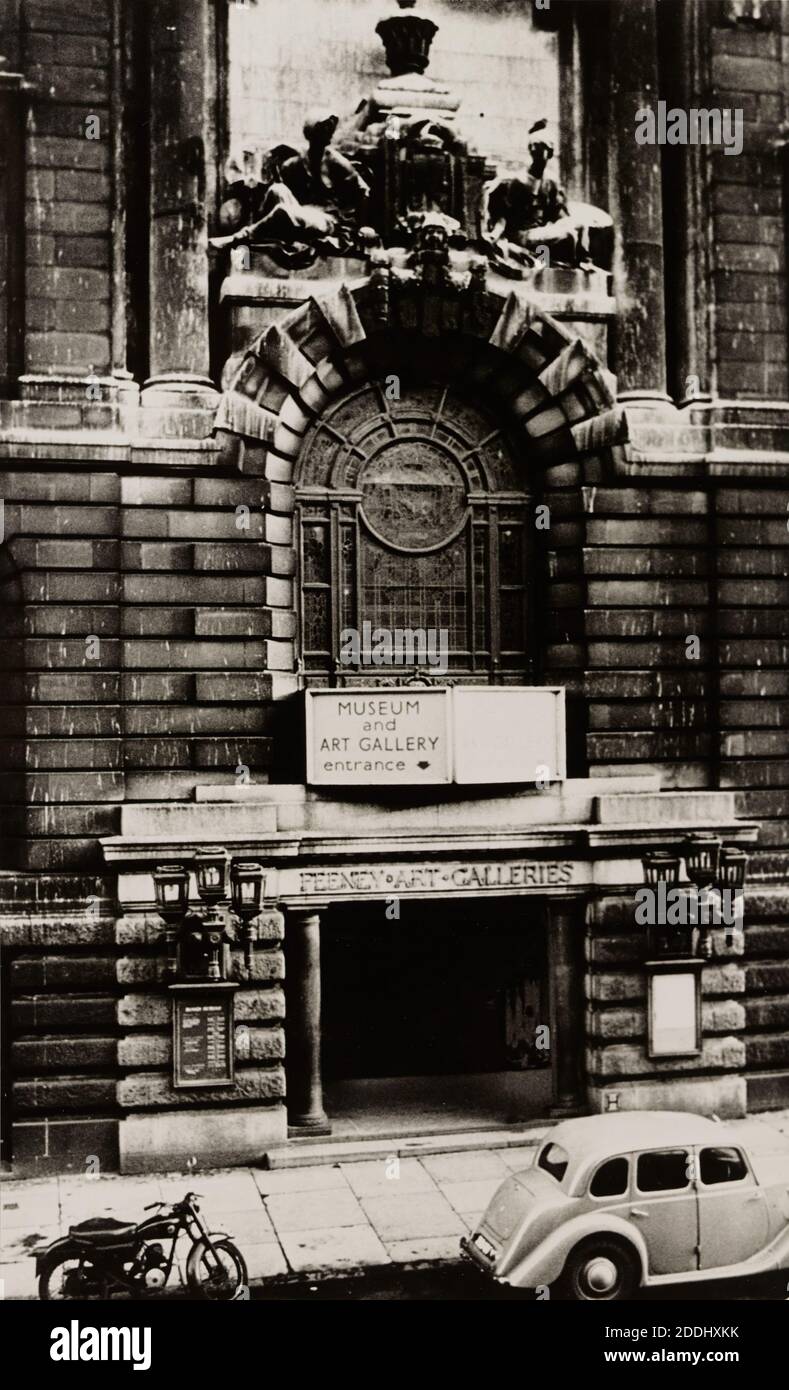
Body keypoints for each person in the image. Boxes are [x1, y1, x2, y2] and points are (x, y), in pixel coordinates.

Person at [210, 110, 372, 255]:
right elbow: (289, 194)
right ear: (312, 133)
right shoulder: (295, 164)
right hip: (303, 213)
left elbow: (363, 190)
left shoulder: (336, 162)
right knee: (277, 190)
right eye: (323, 128)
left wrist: (363, 226)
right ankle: (260, 240)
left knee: (284, 211)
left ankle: (237, 239)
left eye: (329, 128)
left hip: (328, 221)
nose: (328, 133)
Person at [483, 119, 612, 273]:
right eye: (540, 148)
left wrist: (568, 221)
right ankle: (566, 267)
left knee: (580, 225)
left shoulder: (550, 181)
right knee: (568, 235)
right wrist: (495, 235)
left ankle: (584, 261)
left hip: (543, 230)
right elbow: (505, 215)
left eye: (547, 149)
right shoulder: (519, 182)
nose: (544, 154)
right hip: (524, 234)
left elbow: (557, 211)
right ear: (532, 150)